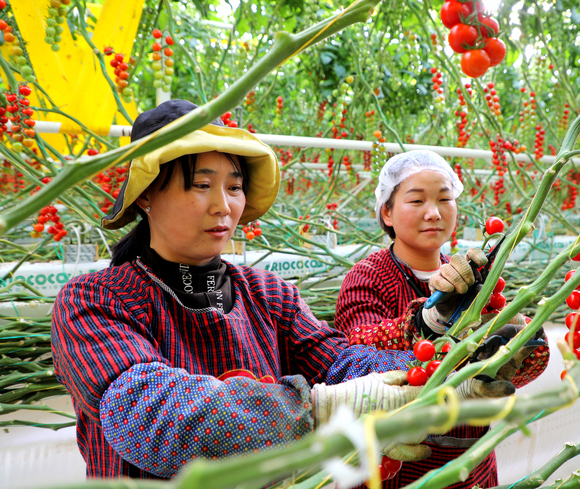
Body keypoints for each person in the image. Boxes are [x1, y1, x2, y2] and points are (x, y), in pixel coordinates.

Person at [50, 101, 509, 481]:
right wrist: (317, 411)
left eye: (233, 187)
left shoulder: (266, 293)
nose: (224, 205)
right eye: (202, 185)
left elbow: (337, 359)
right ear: (146, 195)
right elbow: (150, 413)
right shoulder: (96, 300)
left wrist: (434, 373)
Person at [335, 150, 550, 488]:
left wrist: (518, 339)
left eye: (444, 199)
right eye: (416, 200)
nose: (433, 213)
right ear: (387, 212)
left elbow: (526, 366)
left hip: (471, 467)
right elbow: (354, 353)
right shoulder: (368, 277)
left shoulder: (477, 279)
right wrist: (429, 321)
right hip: (394, 469)